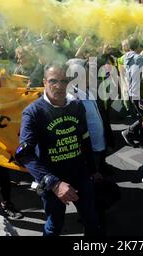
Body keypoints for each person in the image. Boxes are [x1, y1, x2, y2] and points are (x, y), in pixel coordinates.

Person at [16, 64, 103, 236]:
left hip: (80, 175)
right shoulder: (33, 112)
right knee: (55, 225)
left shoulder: (77, 106)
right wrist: (54, 183)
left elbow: (84, 139)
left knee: (92, 220)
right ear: (44, 82)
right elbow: (24, 154)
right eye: (53, 81)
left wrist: (93, 170)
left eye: (64, 81)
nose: (59, 86)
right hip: (51, 178)